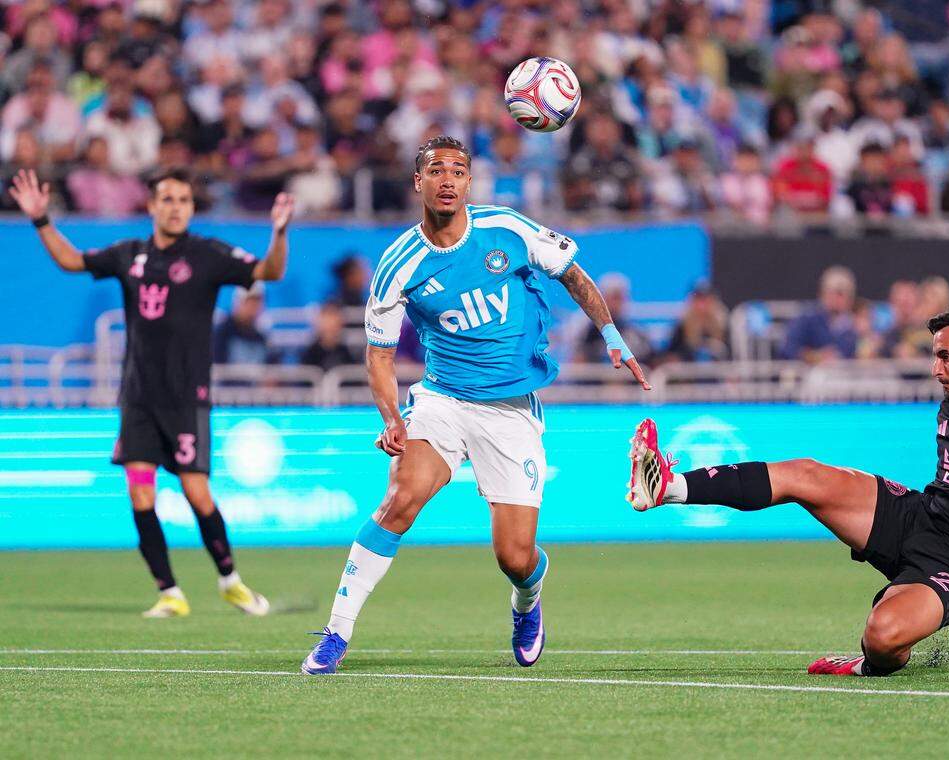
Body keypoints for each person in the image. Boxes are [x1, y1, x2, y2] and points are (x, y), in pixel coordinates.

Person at [301, 136, 651, 675]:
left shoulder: (507, 228)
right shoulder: (398, 263)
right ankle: (336, 633)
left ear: (470, 182)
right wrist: (393, 420)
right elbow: (379, 354)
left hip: (510, 411)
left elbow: (574, 275)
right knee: (400, 498)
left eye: (458, 171)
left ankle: (528, 601)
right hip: (442, 401)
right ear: (418, 182)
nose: (447, 180)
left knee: (515, 557)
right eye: (436, 170)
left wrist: (612, 336)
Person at [629, 301, 949, 677]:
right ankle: (667, 486)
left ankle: (866, 663)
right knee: (807, 474)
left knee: (882, 636)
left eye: (945, 355)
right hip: (923, 517)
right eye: (934, 356)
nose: (935, 367)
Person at [7, 167, 294, 618]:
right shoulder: (129, 255)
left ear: (192, 208)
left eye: (183, 199)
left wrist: (279, 233)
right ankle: (169, 592)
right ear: (152, 206)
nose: (175, 206)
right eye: (167, 198)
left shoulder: (208, 255)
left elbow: (270, 271)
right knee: (140, 494)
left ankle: (230, 581)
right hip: (138, 397)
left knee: (198, 493)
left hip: (186, 399)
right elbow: (72, 261)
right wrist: (41, 220)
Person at [781, 266, 858, 363]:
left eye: (842, 294)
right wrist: (813, 356)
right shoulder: (807, 320)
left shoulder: (854, 325)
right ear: (823, 293)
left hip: (844, 376)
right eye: (834, 293)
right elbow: (788, 348)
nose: (837, 299)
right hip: (810, 375)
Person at [300, 301, 357, 371]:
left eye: (335, 316)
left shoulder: (346, 354)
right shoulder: (309, 354)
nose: (331, 322)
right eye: (328, 316)